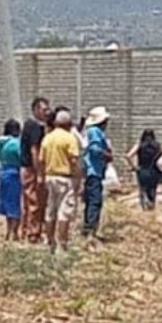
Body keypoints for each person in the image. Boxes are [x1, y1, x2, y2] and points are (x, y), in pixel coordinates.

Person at [40, 108, 81, 252]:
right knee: (64, 212)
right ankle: (62, 244)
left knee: (50, 210)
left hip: (50, 177)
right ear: (68, 124)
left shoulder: (47, 138)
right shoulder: (70, 138)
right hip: (65, 178)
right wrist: (78, 177)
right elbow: (74, 160)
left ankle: (49, 242)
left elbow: (42, 160)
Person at [20, 98, 50, 243]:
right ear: (36, 110)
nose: (47, 112)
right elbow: (34, 151)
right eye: (44, 110)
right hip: (32, 169)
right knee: (35, 202)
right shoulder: (35, 127)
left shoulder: (28, 125)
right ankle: (33, 234)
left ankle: (26, 231)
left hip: (29, 169)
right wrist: (39, 173)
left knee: (29, 202)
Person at [81, 106, 113, 238]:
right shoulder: (95, 132)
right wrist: (106, 155)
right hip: (94, 171)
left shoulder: (93, 131)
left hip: (94, 171)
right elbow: (94, 148)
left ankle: (88, 228)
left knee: (91, 200)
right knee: (95, 201)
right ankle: (90, 230)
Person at [0, 119, 24, 241]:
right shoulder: (16, 144)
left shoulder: (2, 143)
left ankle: (8, 231)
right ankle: (15, 232)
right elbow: (22, 157)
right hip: (14, 174)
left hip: (3, 173)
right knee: (15, 204)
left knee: (7, 203)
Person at [126, 129, 162, 211]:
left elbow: (128, 156)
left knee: (143, 189)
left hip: (142, 170)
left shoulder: (140, 145)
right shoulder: (157, 146)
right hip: (154, 171)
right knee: (153, 190)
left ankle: (144, 208)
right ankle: (151, 207)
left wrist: (134, 167)